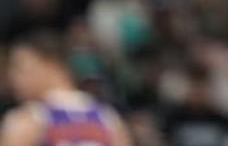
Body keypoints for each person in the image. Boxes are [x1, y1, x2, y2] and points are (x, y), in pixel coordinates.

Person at [0, 31, 132, 146]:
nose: (13, 78)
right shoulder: (109, 119)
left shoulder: (28, 121)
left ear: (52, 65)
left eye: (20, 68)